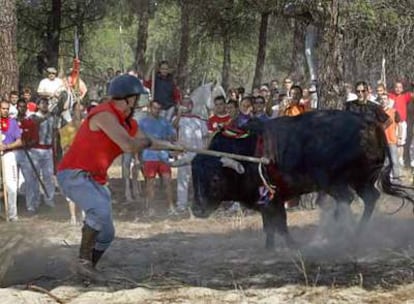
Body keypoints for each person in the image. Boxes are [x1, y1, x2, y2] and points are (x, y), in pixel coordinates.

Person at [57, 74, 182, 280]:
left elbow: (147, 140)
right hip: (74, 175)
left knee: (107, 234)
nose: (139, 102)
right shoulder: (104, 114)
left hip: (94, 179)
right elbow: (129, 145)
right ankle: (82, 262)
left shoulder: (127, 123)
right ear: (129, 98)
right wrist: (147, 143)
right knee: (98, 209)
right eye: (137, 97)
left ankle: (88, 270)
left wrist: (172, 146)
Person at [172, 96, 208, 212]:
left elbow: (206, 136)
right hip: (184, 153)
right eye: (183, 103)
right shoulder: (177, 118)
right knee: (182, 180)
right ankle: (181, 205)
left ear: (192, 106)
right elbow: (174, 126)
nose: (186, 106)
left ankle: (200, 203)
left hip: (198, 154)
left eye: (188, 104)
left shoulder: (199, 119)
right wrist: (179, 113)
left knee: (199, 179)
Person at [139, 100, 177, 214]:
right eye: (155, 108)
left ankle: (171, 206)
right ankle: (150, 208)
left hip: (163, 157)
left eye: (159, 108)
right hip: (149, 157)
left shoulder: (164, 122)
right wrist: (138, 158)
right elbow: (139, 141)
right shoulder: (143, 123)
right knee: (150, 184)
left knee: (167, 182)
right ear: (150, 108)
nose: (157, 110)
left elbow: (172, 135)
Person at [15, 99, 40, 215]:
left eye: (23, 107)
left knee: (29, 180)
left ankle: (30, 206)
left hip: (27, 153)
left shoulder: (30, 122)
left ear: (26, 108)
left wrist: (27, 144)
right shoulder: (12, 121)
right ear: (16, 107)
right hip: (13, 152)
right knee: (13, 181)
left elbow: (35, 139)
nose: (22, 108)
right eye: (19, 106)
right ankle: (13, 206)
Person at [0, 101, 22, 221]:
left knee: (12, 186)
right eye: (3, 108)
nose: (5, 110)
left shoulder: (13, 123)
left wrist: (6, 147)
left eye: (7, 108)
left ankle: (12, 214)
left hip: (8, 155)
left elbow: (19, 141)